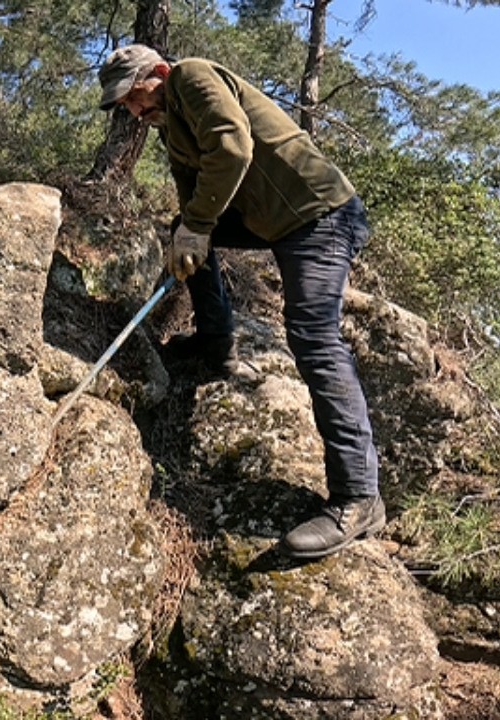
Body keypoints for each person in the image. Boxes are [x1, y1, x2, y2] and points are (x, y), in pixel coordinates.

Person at [97, 45, 384, 560]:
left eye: (135, 98)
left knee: (314, 340)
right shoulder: (172, 124)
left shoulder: (191, 77)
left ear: (157, 73)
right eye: (128, 108)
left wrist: (201, 226)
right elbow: (193, 202)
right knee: (182, 229)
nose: (135, 113)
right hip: (273, 219)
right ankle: (217, 344)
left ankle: (359, 497)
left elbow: (232, 149)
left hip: (320, 216)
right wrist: (189, 235)